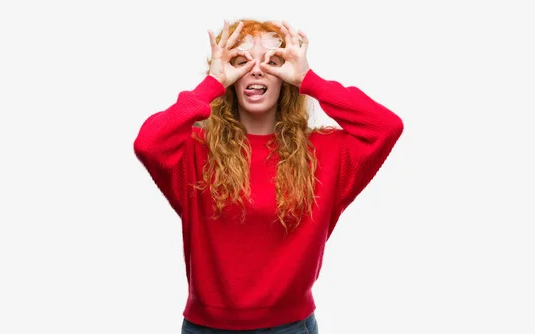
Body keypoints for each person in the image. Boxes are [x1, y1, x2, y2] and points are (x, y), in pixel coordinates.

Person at [133, 18, 404, 333]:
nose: (257, 70)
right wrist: (211, 84)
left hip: (290, 327)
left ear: (286, 78)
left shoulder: (324, 153)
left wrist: (309, 79)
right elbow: (148, 143)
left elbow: (386, 127)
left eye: (274, 62)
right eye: (241, 61)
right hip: (206, 327)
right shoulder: (195, 152)